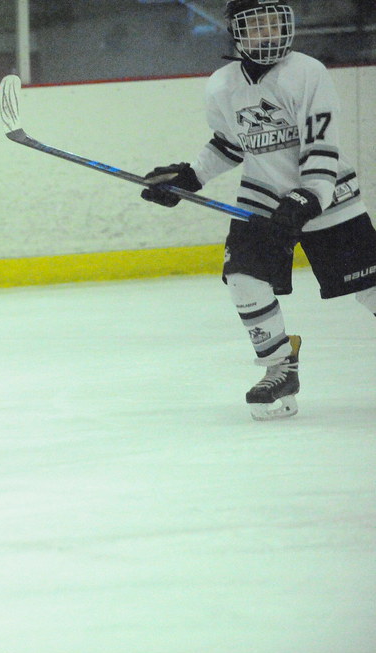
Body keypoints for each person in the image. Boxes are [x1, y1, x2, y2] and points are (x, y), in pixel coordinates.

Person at [140, 0, 376, 421]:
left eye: (273, 23)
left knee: (371, 287)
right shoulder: (222, 85)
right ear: (238, 32)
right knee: (243, 277)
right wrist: (190, 178)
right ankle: (279, 366)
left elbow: (321, 144)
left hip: (328, 196)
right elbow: (230, 144)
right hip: (263, 197)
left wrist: (310, 195)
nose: (268, 33)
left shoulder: (307, 73)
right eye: (257, 26)